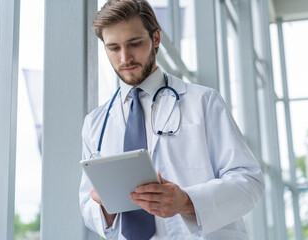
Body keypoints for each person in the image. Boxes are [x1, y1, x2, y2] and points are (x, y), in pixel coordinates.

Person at [79, 0, 264, 239]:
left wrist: (187, 201)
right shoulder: (96, 123)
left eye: (134, 44)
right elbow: (86, 204)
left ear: (156, 39)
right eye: (113, 48)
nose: (125, 58)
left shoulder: (203, 102)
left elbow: (248, 182)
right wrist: (102, 206)